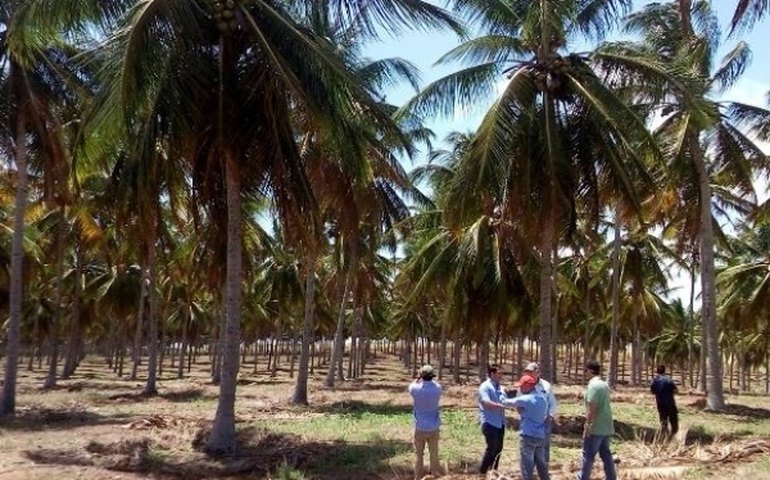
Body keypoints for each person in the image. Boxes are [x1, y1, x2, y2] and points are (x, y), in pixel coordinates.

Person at [503, 374, 551, 480]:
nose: (520, 388)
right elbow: (530, 413)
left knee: (527, 467)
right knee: (541, 465)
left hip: (527, 436)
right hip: (540, 436)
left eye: (521, 386)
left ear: (528, 386)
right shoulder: (542, 399)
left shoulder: (526, 399)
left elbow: (505, 402)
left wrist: (502, 393)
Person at [578, 360, 616, 480]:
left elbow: (592, 408)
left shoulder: (593, 386)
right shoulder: (604, 385)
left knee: (587, 456)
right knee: (606, 455)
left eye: (585, 371)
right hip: (606, 426)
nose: (584, 373)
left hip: (595, 428)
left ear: (590, 371)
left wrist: (588, 425)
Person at [408, 364, 445, 479]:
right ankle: (434, 475)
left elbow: (412, 385)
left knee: (418, 455)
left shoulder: (415, 389)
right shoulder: (438, 388)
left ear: (421, 375)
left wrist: (417, 378)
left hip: (420, 427)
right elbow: (436, 384)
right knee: (434, 454)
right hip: (434, 427)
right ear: (432, 376)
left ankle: (418, 476)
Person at [522, 362, 558, 464]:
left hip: (544, 421)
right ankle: (530, 468)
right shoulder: (523, 384)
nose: (528, 374)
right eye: (526, 372)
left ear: (537, 372)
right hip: (529, 421)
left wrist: (550, 415)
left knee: (544, 445)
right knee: (528, 445)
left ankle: (543, 466)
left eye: (530, 372)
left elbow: (552, 402)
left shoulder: (546, 385)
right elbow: (519, 402)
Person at [478, 364, 508, 474]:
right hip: (489, 422)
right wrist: (499, 405)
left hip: (500, 422)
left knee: (499, 449)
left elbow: (506, 400)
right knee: (492, 448)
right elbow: (486, 402)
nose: (501, 375)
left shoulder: (501, 388)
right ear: (492, 374)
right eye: (499, 373)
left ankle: (493, 471)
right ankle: (483, 472)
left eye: (502, 373)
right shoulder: (485, 387)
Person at [650, 364, 679, 440]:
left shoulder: (654, 380)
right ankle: (672, 436)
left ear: (657, 371)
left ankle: (664, 437)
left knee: (663, 421)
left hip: (660, 404)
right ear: (664, 371)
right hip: (670, 403)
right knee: (674, 421)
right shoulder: (668, 379)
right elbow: (676, 390)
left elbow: (652, 391)